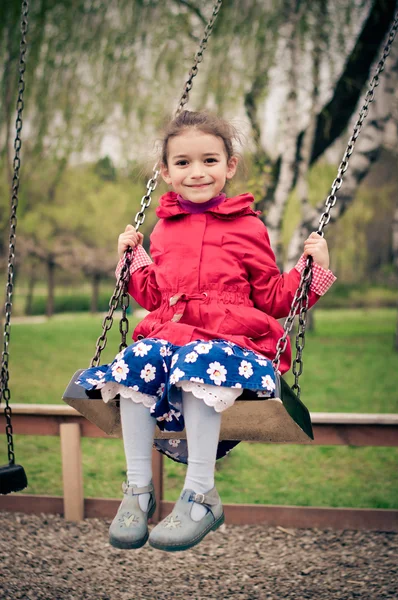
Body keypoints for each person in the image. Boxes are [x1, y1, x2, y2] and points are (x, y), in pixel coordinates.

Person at [77, 110, 336, 552]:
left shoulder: (249, 225)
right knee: (132, 363)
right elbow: (155, 296)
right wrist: (129, 261)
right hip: (174, 333)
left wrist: (313, 272)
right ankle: (138, 490)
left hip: (230, 342)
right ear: (165, 172)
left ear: (229, 165)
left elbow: (273, 298)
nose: (197, 172)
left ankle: (201, 494)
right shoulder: (162, 229)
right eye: (182, 163)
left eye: (209, 160)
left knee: (201, 362)